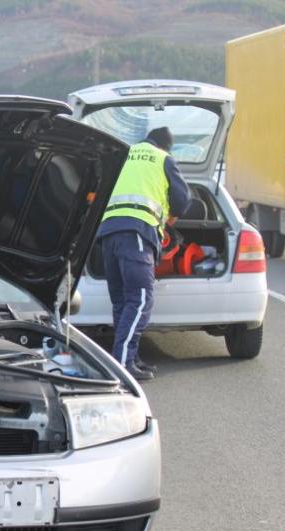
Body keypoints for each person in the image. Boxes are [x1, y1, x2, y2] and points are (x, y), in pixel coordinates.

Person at [96, 127, 191, 381]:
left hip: (107, 232)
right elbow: (182, 201)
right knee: (139, 299)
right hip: (136, 230)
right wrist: (169, 214)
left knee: (122, 301)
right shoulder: (162, 158)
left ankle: (130, 357)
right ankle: (124, 363)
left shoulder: (124, 154)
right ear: (165, 146)